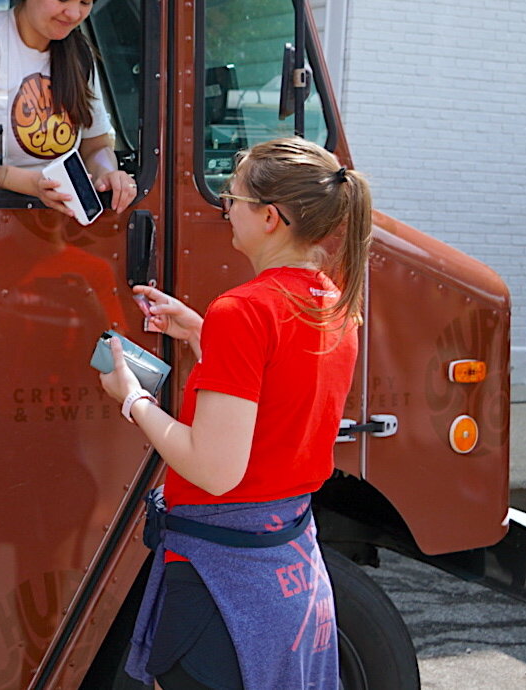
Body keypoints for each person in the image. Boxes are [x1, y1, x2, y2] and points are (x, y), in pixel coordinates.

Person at [98, 137, 372, 690]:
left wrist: (132, 399)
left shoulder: (244, 310)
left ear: (269, 218)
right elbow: (279, 394)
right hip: (292, 570)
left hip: (221, 583)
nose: (226, 207)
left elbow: (215, 468)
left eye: (234, 196)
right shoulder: (333, 302)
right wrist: (204, 334)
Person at [0, 0, 136, 214]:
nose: (73, 14)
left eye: (86, 2)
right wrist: (37, 184)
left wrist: (107, 173)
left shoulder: (79, 53)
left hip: (52, 214)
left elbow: (95, 144)